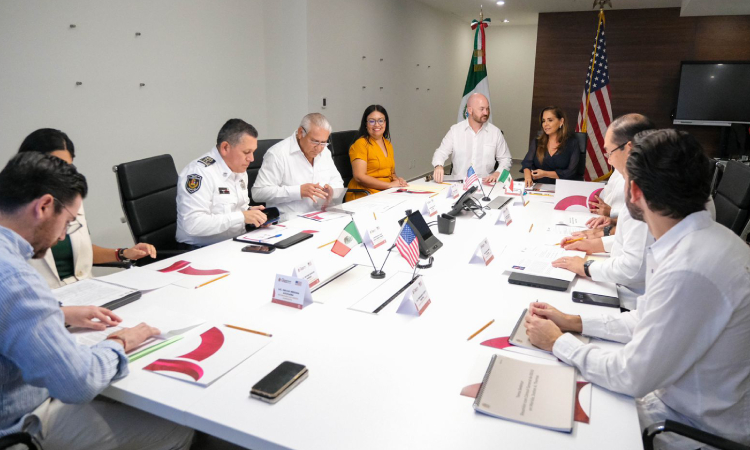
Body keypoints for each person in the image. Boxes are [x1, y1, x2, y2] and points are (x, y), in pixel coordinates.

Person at [525, 129, 750, 449]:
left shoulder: (688, 268)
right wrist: (573, 322)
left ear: (634, 192)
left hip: (686, 429)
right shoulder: (705, 240)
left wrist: (558, 342)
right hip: (680, 400)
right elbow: (645, 317)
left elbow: (631, 376)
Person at [0, 152, 194, 449]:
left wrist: (59, 313)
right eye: (67, 223)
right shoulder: (15, 278)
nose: (63, 236)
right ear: (44, 206)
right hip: (18, 424)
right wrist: (120, 341)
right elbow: (78, 382)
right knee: (177, 429)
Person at [18, 128, 156, 289]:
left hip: (85, 290)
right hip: (40, 296)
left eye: (67, 167)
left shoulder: (70, 196)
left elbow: (83, 252)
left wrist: (123, 253)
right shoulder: (13, 209)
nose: (61, 174)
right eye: (54, 165)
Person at [552, 114, 656, 310]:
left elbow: (633, 267)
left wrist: (585, 267)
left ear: (629, 148)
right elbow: (630, 241)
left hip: (631, 299)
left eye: (609, 152)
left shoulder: (646, 189)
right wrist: (593, 245)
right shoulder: (636, 177)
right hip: (621, 283)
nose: (608, 160)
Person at [176, 119, 267, 247]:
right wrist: (242, 216)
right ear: (225, 148)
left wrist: (251, 213)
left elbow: (234, 209)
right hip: (200, 249)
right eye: (246, 152)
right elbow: (193, 224)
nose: (251, 159)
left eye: (253, 152)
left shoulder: (239, 169)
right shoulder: (199, 173)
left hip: (235, 242)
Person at [252, 113, 344, 221]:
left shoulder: (325, 152)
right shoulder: (278, 154)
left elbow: (338, 181)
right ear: (301, 133)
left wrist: (332, 192)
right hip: (290, 220)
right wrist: (298, 191)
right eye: (315, 141)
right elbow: (258, 193)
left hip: (321, 216)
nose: (319, 148)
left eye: (323, 142)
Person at [432, 93, 511, 184]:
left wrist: (498, 173)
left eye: (487, 109)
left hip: (485, 184)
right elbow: (441, 152)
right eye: (482, 109)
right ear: (470, 110)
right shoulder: (455, 131)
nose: (486, 113)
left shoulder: (495, 132)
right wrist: (438, 165)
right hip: (459, 184)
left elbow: (506, 159)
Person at [345, 105, 407, 201]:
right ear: (366, 124)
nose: (377, 125)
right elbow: (359, 177)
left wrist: (398, 180)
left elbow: (392, 173)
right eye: (372, 121)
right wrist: (389, 185)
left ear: (385, 123)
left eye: (380, 120)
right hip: (365, 193)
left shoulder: (388, 144)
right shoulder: (361, 144)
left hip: (385, 191)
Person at [521, 106, 579, 187]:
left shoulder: (572, 143)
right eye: (543, 121)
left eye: (550, 120)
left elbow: (570, 173)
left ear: (561, 121)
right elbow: (527, 163)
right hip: (539, 186)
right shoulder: (537, 141)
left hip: (563, 187)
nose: (545, 124)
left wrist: (545, 173)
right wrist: (527, 177)